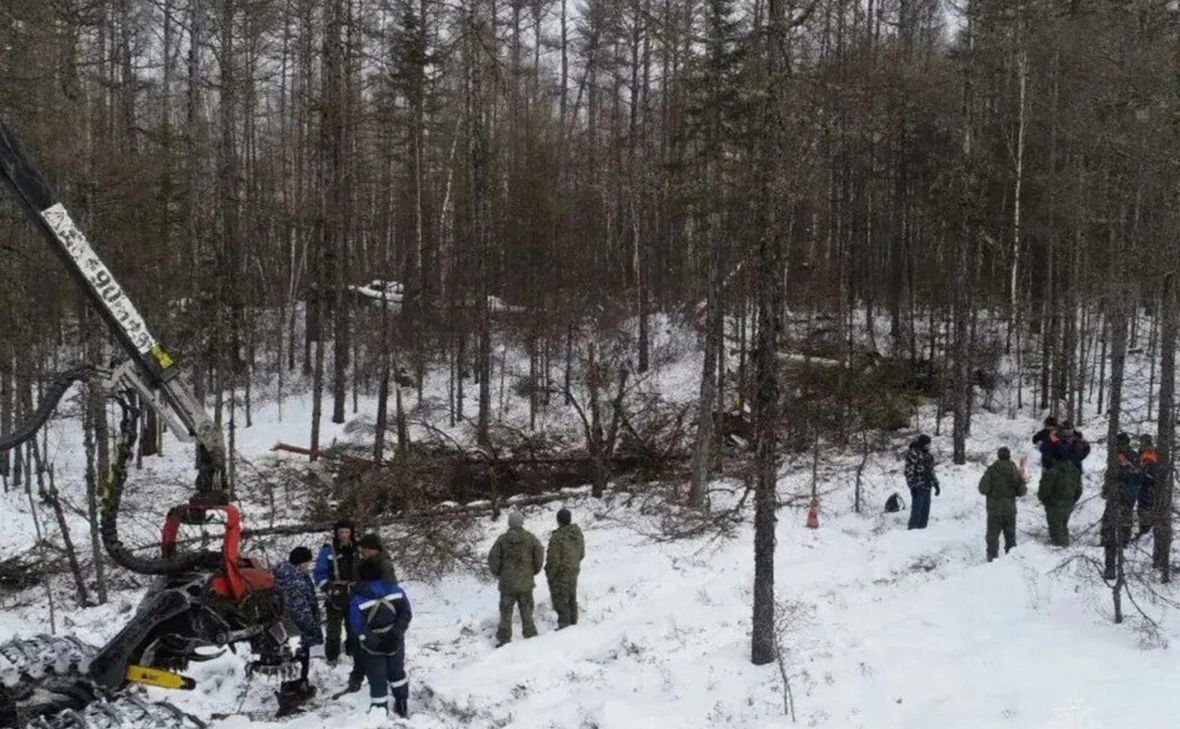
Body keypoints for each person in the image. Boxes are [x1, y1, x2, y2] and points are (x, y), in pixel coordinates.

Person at [348, 558, 412, 719]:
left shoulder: (357, 598)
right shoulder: (395, 589)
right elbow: (405, 614)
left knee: (377, 678)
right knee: (397, 672)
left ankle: (379, 713)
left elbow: (357, 625)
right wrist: (396, 634)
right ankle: (402, 703)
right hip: (395, 639)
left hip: (372, 646)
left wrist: (374, 642)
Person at [314, 518, 364, 692]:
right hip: (336, 593)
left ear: (351, 532)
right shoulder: (328, 551)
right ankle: (332, 656)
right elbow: (319, 574)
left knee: (354, 627)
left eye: (347, 532)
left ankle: (352, 652)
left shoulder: (358, 549)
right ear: (336, 533)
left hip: (355, 594)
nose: (344, 535)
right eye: (341, 532)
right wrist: (328, 588)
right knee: (333, 629)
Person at [272, 546, 322, 715]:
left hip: (283, 630)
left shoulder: (283, 576)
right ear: (302, 563)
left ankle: (297, 690)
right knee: (299, 661)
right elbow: (301, 611)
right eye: (308, 562)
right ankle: (291, 699)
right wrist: (312, 627)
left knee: (288, 661)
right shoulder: (296, 582)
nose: (309, 565)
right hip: (297, 630)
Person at [488, 511, 544, 646]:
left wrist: (498, 574)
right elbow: (539, 554)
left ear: (509, 523)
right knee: (526, 610)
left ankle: (504, 638)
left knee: (506, 612)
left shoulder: (502, 540)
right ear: (522, 522)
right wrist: (534, 570)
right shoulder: (530, 539)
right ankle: (530, 635)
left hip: (507, 583)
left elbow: (493, 559)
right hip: (525, 582)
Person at [978, 447, 1027, 562]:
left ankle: (991, 559)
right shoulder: (1015, 471)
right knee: (1010, 535)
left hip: (994, 509)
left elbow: (982, 489)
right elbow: (1022, 491)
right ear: (1009, 456)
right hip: (1009, 509)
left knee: (992, 536)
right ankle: (1011, 559)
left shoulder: (992, 470)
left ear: (998, 456)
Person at [545, 508, 585, 629]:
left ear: (558, 521)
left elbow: (553, 560)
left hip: (561, 573)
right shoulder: (577, 533)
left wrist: (550, 574)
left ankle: (564, 628)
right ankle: (574, 626)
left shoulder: (557, 537)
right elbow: (581, 553)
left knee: (561, 601)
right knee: (572, 597)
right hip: (574, 570)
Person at [1037, 457, 1082, 546]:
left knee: (1055, 529)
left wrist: (1045, 501)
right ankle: (1065, 548)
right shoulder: (1075, 471)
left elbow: (1044, 491)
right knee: (1064, 526)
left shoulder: (1052, 472)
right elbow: (1079, 490)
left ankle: (1058, 551)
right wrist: (1072, 501)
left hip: (1053, 505)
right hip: (1068, 504)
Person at [904, 434, 939, 530]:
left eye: (929, 444)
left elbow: (931, 470)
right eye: (927, 444)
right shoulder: (913, 454)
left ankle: (922, 534)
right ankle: (911, 533)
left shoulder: (928, 455)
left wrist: (936, 483)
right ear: (922, 443)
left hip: (927, 486)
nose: (928, 446)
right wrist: (912, 486)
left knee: (925, 513)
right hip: (918, 487)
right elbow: (908, 471)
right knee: (916, 512)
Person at [1136, 434, 1160, 539]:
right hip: (1150, 483)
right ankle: (1146, 528)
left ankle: (1145, 529)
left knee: (1145, 506)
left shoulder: (1147, 453)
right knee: (1148, 506)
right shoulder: (1152, 451)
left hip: (1147, 482)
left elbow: (1147, 467)